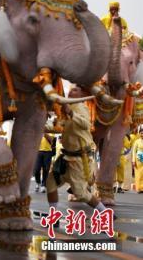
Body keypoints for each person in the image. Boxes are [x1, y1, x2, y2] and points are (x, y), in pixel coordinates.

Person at [46, 86, 108, 217]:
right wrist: (41, 127)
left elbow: (86, 124)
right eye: (70, 89)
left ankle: (105, 213)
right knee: (50, 183)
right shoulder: (66, 108)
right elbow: (58, 126)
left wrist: (71, 113)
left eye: (75, 90)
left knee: (81, 194)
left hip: (80, 159)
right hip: (66, 157)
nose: (70, 90)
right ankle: (53, 216)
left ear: (82, 94)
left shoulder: (81, 107)